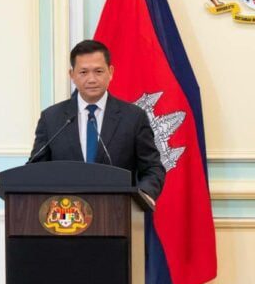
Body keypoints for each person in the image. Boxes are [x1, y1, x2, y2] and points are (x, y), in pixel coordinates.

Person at [28, 40, 166, 201]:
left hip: (119, 210)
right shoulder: (51, 118)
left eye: (98, 71)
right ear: (72, 75)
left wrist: (143, 196)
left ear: (110, 72)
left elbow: (152, 168)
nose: (91, 79)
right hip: (66, 211)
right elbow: (35, 170)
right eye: (83, 72)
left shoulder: (134, 117)